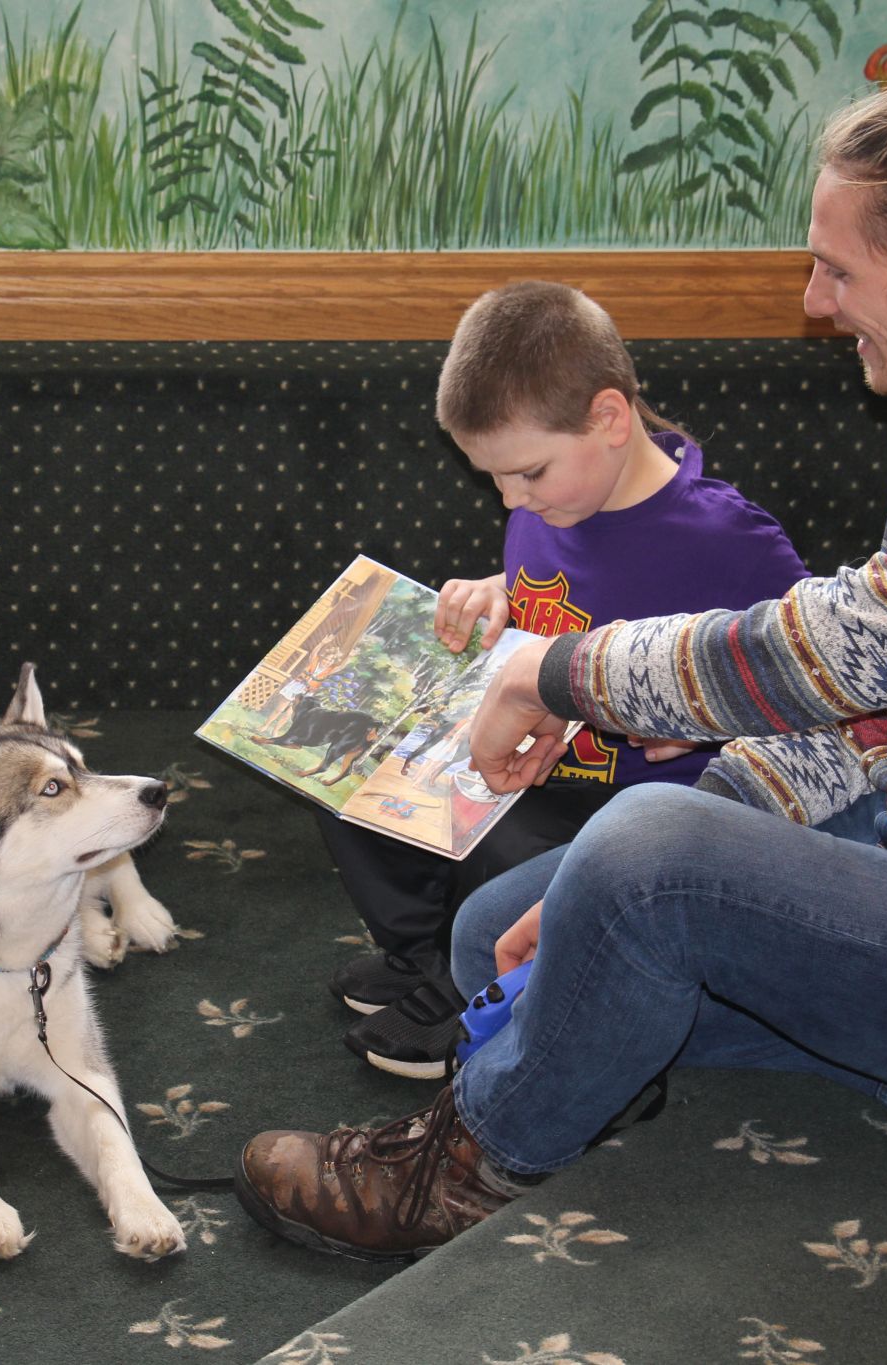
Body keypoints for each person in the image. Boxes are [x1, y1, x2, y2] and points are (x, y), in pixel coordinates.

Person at [235, 40, 887, 1260]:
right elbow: (871, 712)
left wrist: (549, 672)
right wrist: (712, 822)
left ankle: (461, 1169)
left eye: (836, 268)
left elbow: (809, 655)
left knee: (634, 866)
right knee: (503, 934)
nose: (812, 301)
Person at [320, 280, 808, 1078]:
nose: (512, 499)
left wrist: (713, 717)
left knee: (502, 845)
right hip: (531, 761)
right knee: (345, 753)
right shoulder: (553, 505)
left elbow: (815, 677)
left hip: (637, 808)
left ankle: (469, 988)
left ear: (609, 420)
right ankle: (420, 951)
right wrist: (495, 591)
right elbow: (564, 592)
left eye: (529, 474)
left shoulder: (728, 539)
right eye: (496, 481)